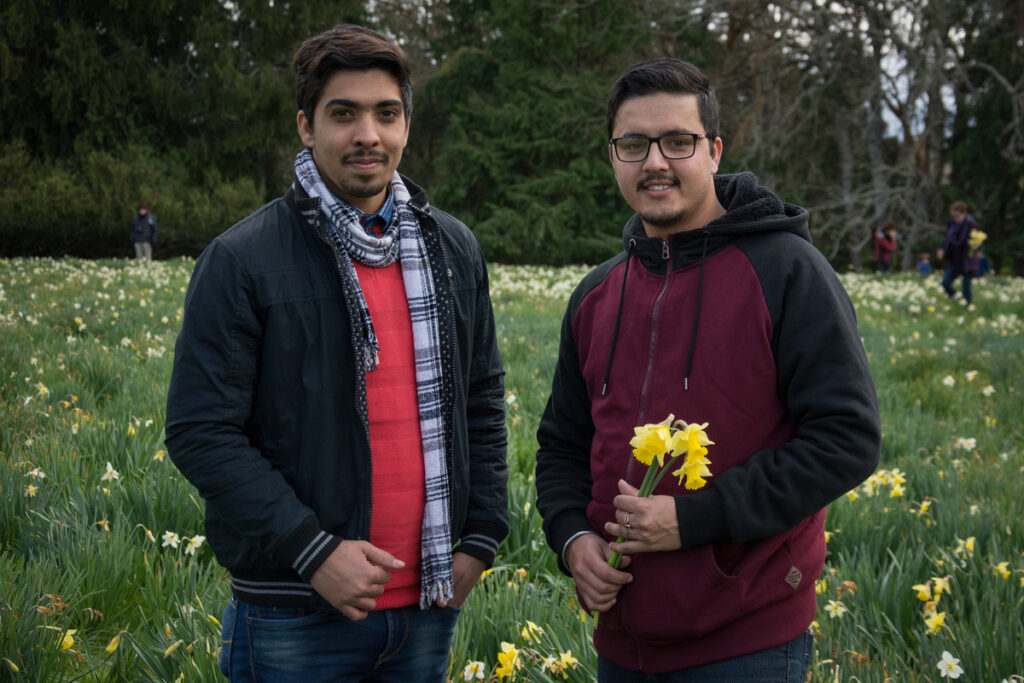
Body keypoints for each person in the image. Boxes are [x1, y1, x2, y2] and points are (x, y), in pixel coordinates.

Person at [164, 24, 509, 682]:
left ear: (407, 122)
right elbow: (200, 430)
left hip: (429, 605)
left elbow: (483, 399)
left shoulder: (453, 250)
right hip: (294, 615)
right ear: (305, 125)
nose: (367, 135)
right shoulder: (243, 259)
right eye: (342, 113)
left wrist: (484, 534)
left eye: (386, 113)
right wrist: (313, 550)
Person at [534, 58, 880, 681]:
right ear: (612, 156)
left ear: (715, 151)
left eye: (678, 142)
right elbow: (563, 444)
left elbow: (846, 440)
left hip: (745, 645)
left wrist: (692, 519)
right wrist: (572, 541)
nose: (655, 162)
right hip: (618, 644)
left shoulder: (786, 270)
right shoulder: (596, 293)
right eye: (634, 145)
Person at [937, 200, 978, 305]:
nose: (955, 217)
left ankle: (967, 307)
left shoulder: (971, 224)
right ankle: (957, 299)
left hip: (967, 259)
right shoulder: (952, 224)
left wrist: (976, 245)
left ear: (964, 213)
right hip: (954, 259)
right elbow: (947, 239)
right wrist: (941, 248)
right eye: (953, 215)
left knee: (966, 286)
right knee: (945, 283)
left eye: (957, 215)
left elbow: (978, 239)